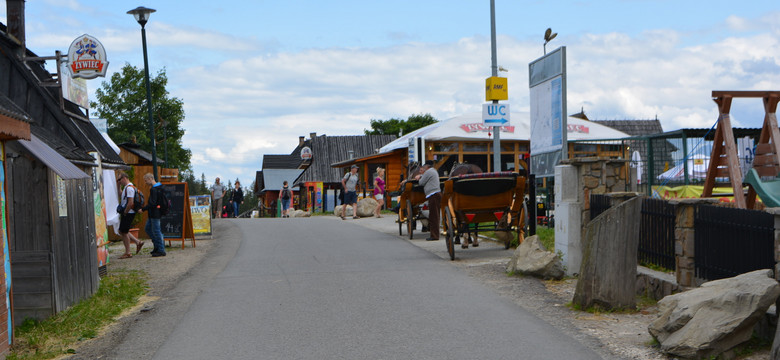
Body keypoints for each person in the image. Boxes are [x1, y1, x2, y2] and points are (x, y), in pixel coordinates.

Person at [116, 171, 144, 258]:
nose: (119, 181)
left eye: (120, 179)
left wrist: (125, 212)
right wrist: (118, 185)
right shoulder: (126, 188)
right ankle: (137, 242)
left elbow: (130, 202)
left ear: (125, 178)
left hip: (129, 212)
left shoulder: (129, 188)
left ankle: (128, 252)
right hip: (129, 212)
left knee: (123, 232)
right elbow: (121, 195)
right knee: (123, 230)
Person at [141, 173, 166, 257]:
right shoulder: (160, 187)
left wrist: (143, 209)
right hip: (157, 212)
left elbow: (152, 203)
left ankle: (161, 249)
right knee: (148, 228)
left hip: (154, 213)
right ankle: (157, 246)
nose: (145, 182)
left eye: (146, 180)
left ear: (150, 178)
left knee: (156, 231)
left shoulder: (154, 189)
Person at [416, 160, 441, 241]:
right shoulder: (433, 171)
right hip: (435, 194)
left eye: (424, 167)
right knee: (434, 215)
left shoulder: (428, 172)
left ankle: (435, 236)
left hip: (433, 194)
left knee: (433, 216)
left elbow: (421, 183)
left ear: (427, 166)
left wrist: (419, 177)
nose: (423, 168)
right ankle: (434, 234)